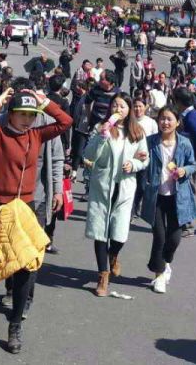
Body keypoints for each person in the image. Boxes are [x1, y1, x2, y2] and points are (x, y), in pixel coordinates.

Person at [0, 79, 72, 354]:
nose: (28, 120)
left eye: (32, 116)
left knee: (26, 267)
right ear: (12, 113)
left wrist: (44, 102)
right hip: (0, 205)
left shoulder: (37, 135)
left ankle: (15, 326)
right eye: (23, 114)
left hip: (26, 207)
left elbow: (66, 121)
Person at [83, 94, 149, 296]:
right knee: (100, 231)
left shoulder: (137, 132)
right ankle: (103, 275)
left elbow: (144, 159)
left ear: (129, 110)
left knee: (119, 234)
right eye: (115, 105)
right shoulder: (100, 128)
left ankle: (114, 255)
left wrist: (134, 164)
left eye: (122, 106)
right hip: (102, 185)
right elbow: (89, 155)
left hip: (125, 187)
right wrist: (101, 135)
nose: (118, 109)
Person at [138, 106, 196, 294]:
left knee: (174, 239)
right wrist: (140, 158)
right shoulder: (149, 142)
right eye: (162, 119)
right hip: (155, 195)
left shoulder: (185, 144)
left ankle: (166, 262)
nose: (165, 122)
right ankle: (159, 275)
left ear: (177, 122)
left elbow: (194, 165)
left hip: (177, 197)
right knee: (159, 236)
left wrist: (184, 170)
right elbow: (141, 162)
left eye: (169, 119)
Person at [173, 87, 196, 238]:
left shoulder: (192, 118)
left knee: (187, 192)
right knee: (181, 191)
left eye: (174, 100)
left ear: (180, 102)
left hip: (190, 162)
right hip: (182, 160)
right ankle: (181, 222)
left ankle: (188, 225)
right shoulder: (186, 115)